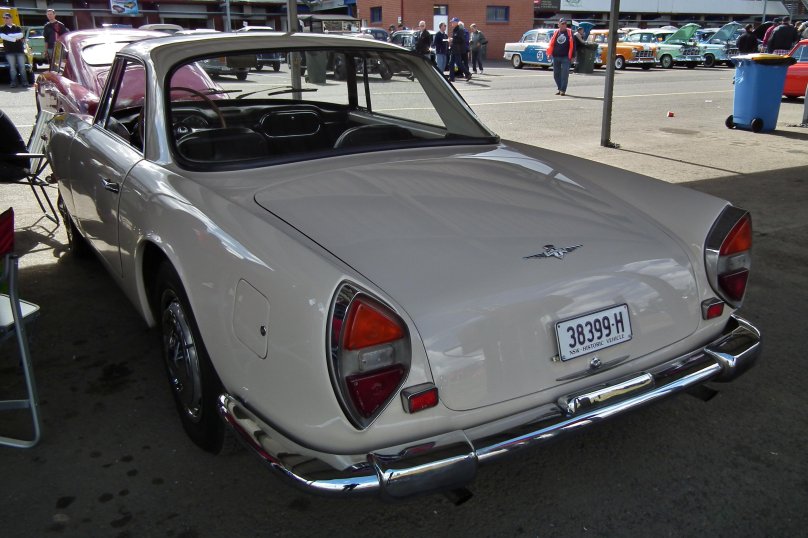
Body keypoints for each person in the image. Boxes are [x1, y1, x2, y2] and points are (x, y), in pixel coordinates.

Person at [547, 18, 574, 95]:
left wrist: (573, 56)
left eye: (565, 24)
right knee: (556, 74)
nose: (563, 25)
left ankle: (563, 90)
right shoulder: (556, 32)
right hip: (556, 56)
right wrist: (549, 53)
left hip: (566, 57)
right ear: (558, 24)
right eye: (562, 24)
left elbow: (573, 45)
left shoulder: (570, 32)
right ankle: (560, 88)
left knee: (565, 74)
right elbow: (551, 44)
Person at [0, 13, 27, 88]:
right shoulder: (2, 28)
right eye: (4, 18)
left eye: (7, 18)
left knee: (22, 67)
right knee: (12, 68)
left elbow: (21, 35)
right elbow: (3, 36)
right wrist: (15, 38)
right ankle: (14, 82)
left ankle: (24, 82)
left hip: (20, 50)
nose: (5, 19)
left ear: (11, 18)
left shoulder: (17, 27)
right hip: (9, 51)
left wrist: (9, 36)